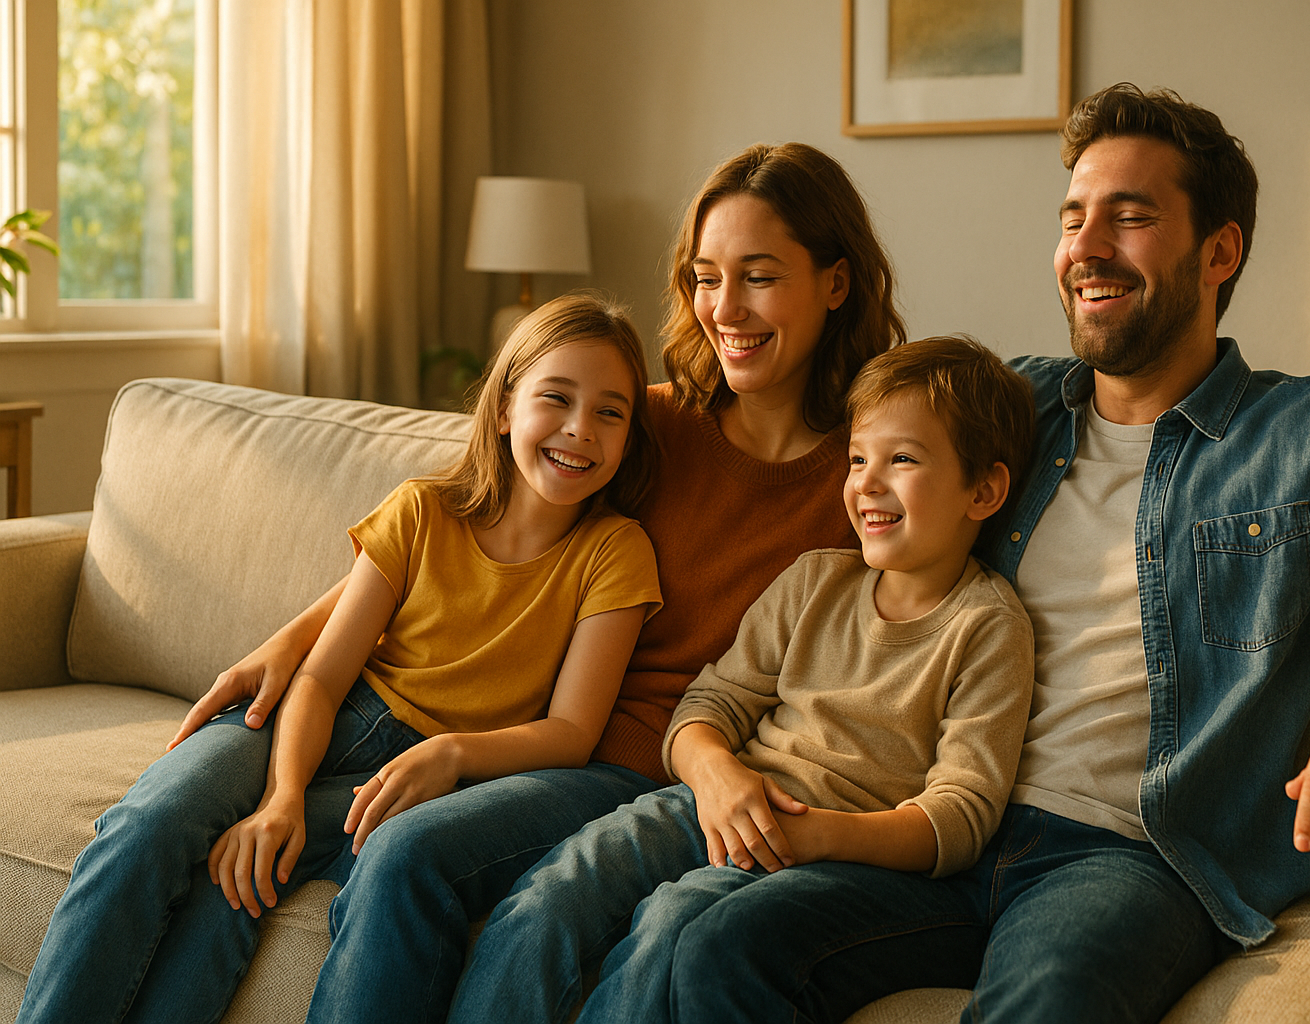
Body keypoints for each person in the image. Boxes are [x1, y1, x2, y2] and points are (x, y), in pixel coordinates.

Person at [661, 84, 1310, 1024]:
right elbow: (855, 436)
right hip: (947, 822)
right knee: (721, 949)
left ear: (1220, 251)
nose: (1086, 247)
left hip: (1127, 853)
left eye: (1130, 217)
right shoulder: (1016, 406)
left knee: (1049, 1002)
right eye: (1073, 217)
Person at [159, 142, 905, 1023]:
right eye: (705, 277)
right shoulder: (645, 421)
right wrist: (293, 643)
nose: (724, 308)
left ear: (837, 282)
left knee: (410, 855)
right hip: (544, 743)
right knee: (241, 841)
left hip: (667, 775)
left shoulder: (872, 472)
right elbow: (452, 525)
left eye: (759, 276)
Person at [15, 292, 665, 1024]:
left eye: (611, 412)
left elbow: (573, 732)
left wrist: (452, 753)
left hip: (423, 770)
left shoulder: (615, 552)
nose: (581, 428)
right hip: (320, 715)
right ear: (507, 405)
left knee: (237, 873)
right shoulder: (422, 510)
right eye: (557, 398)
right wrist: (281, 797)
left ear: (629, 436)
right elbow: (321, 675)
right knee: (147, 825)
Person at [444, 336, 1037, 1024]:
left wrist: (819, 834)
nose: (866, 483)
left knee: (672, 924)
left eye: (901, 460)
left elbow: (961, 816)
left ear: (985, 490)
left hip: (831, 847)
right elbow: (707, 706)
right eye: (856, 459)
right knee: (550, 895)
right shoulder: (816, 579)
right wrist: (717, 774)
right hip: (716, 802)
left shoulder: (988, 627)